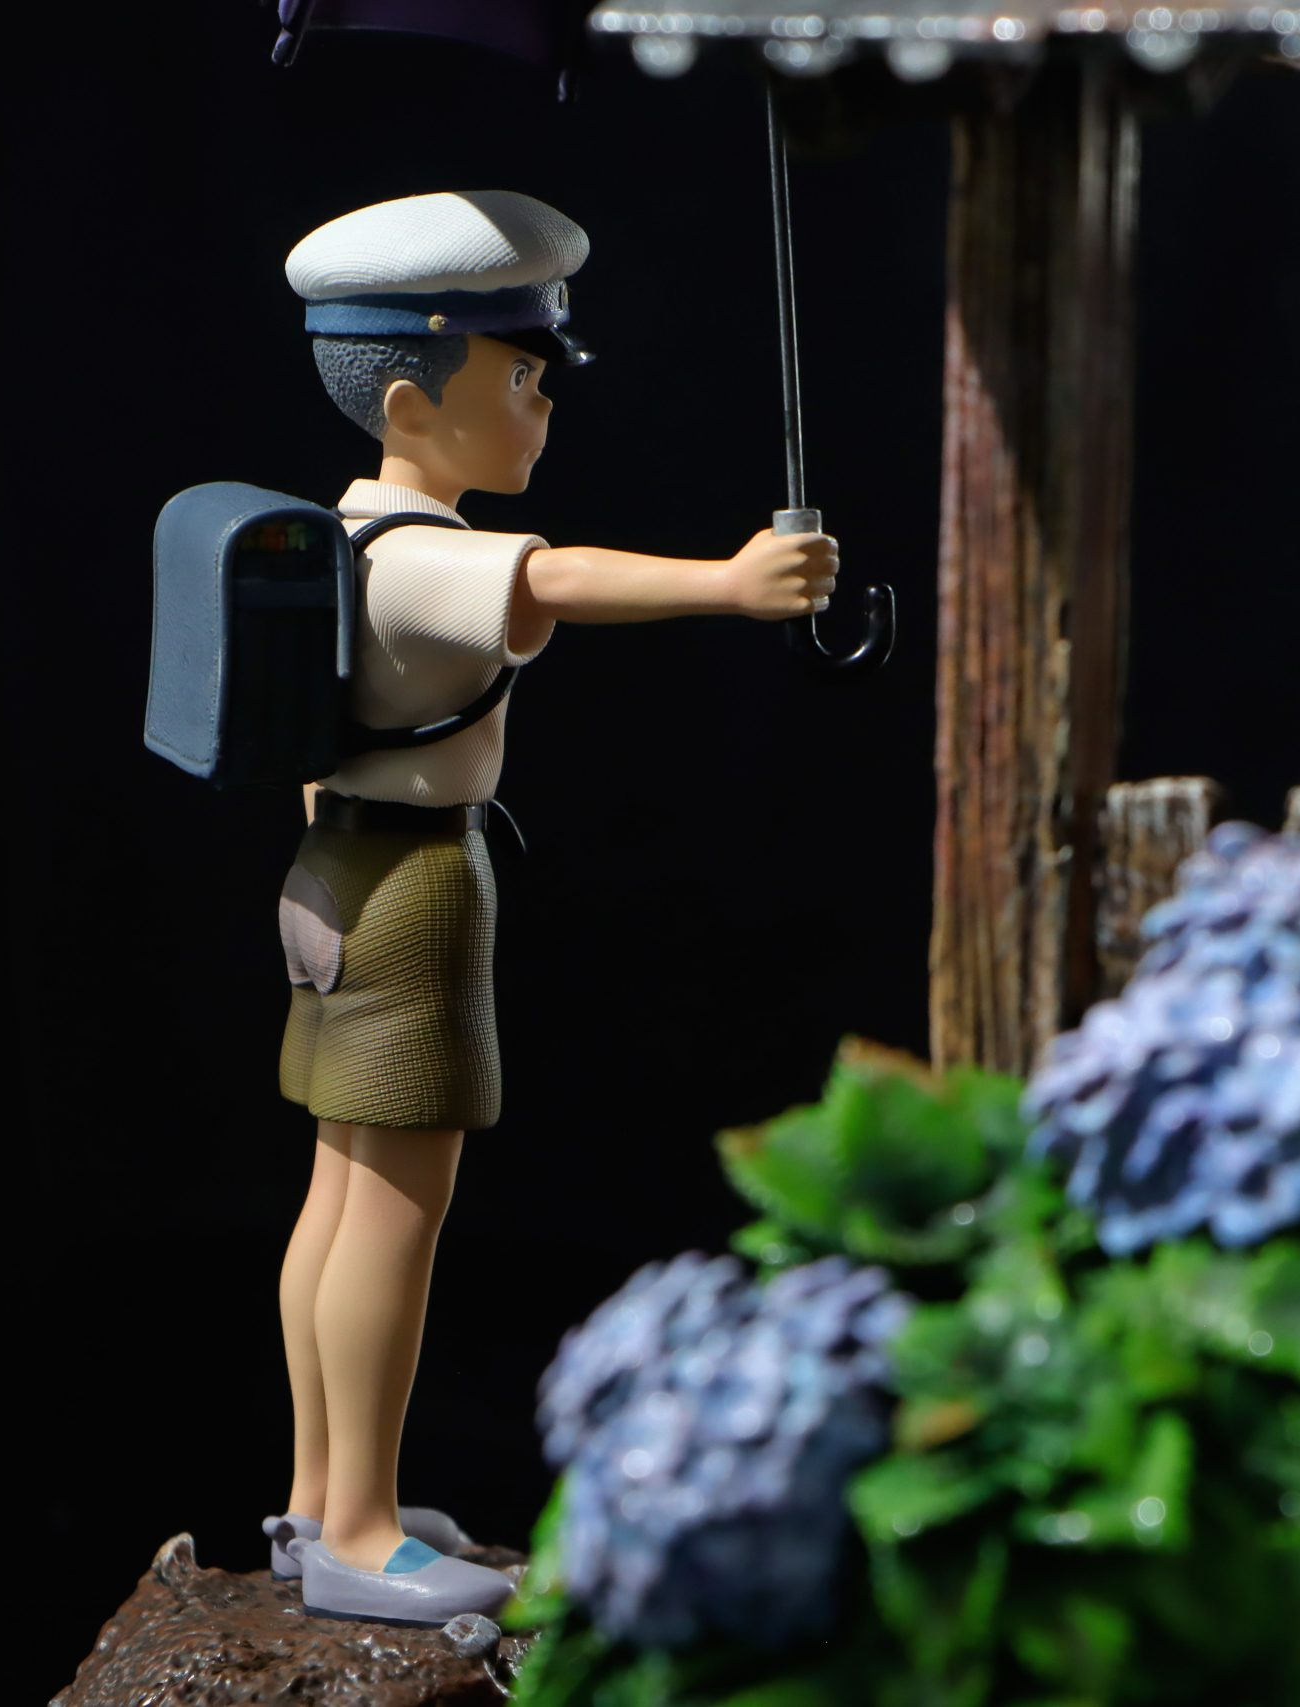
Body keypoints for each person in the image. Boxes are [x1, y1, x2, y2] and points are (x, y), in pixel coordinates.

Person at [258, 189, 841, 1623]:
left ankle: (316, 1500)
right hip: (410, 893)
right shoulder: (424, 556)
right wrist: (733, 583)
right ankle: (360, 1529)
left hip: (332, 875)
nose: (544, 406)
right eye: (520, 378)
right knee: (396, 1210)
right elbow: (559, 575)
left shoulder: (346, 527)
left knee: (338, 1191)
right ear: (413, 400)